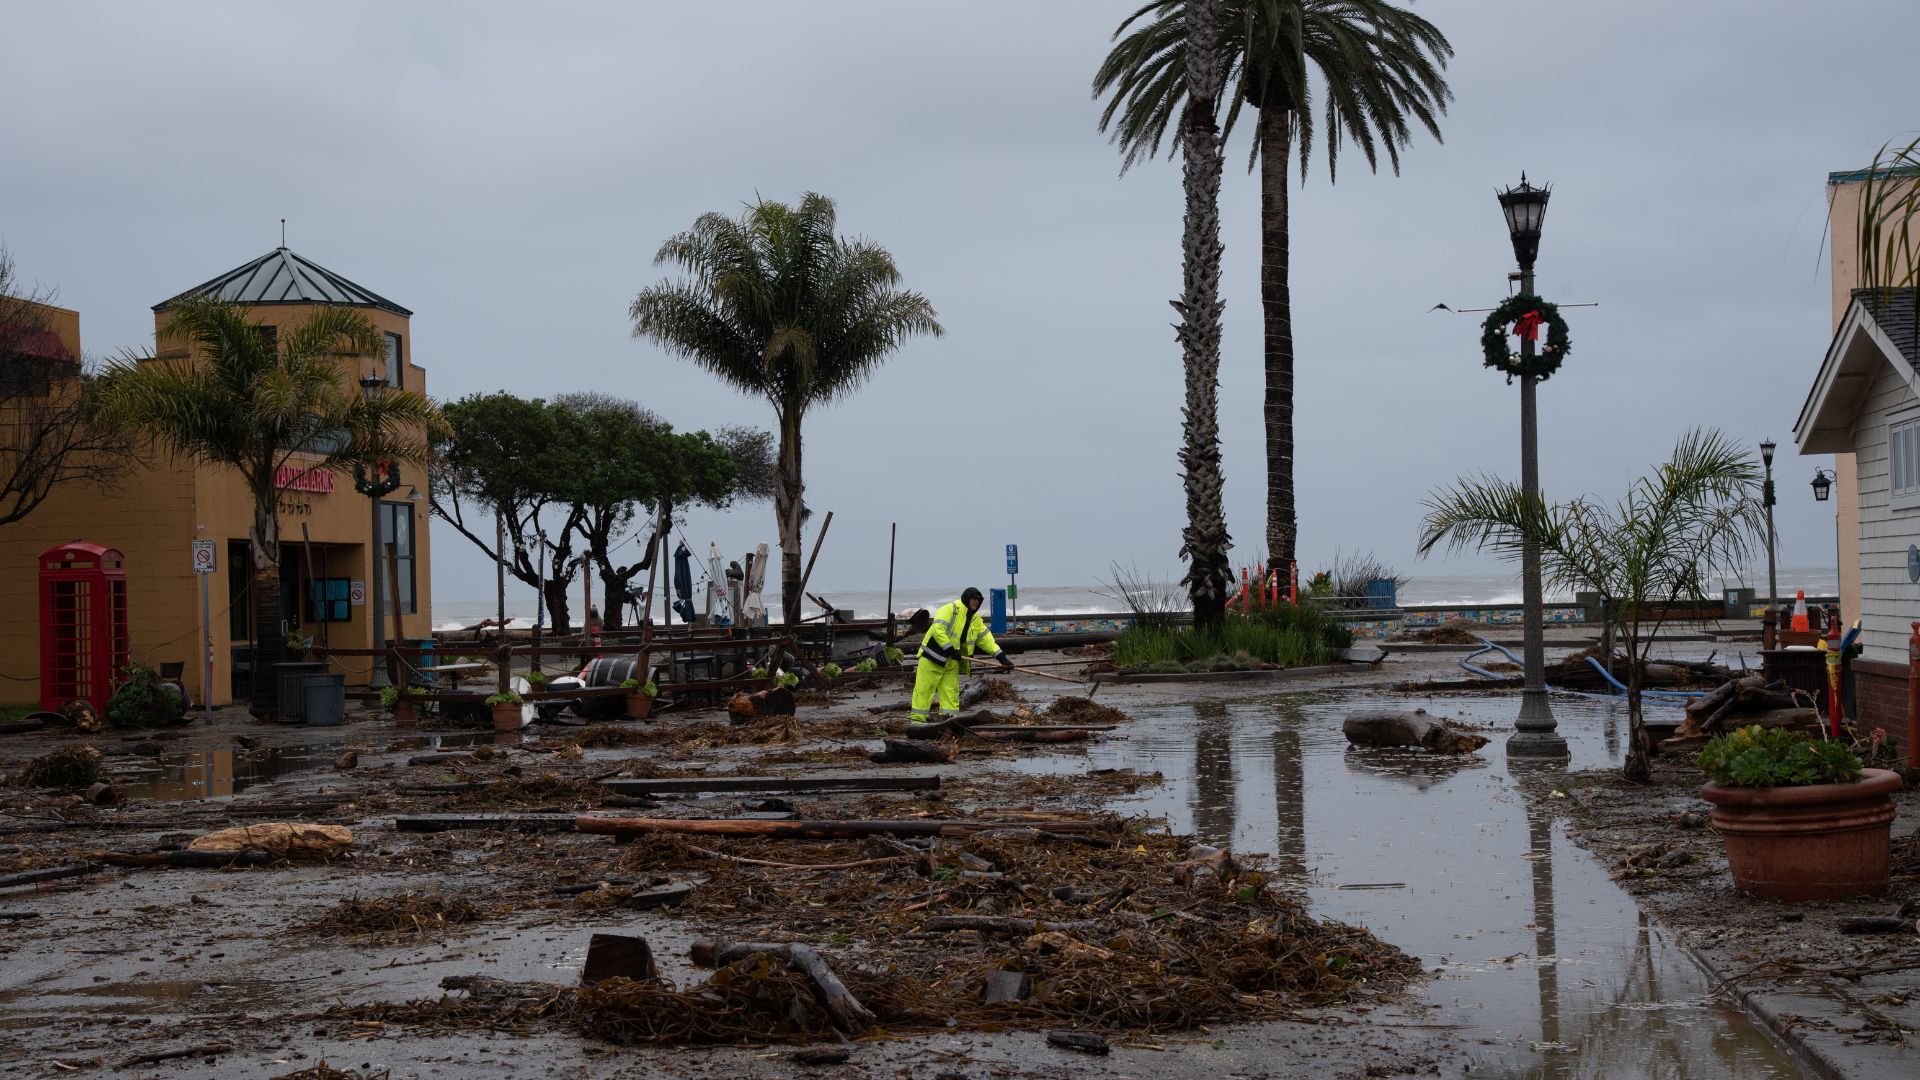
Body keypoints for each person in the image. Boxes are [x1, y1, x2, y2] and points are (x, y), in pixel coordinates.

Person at [911, 587, 1013, 725]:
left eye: (978, 600)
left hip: (952, 661)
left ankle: (949, 721)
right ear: (966, 598)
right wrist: (949, 648)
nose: (976, 602)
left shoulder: (975, 619)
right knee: (924, 690)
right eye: (973, 599)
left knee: (951, 693)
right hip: (932, 657)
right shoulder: (949, 609)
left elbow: (986, 639)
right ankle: (917, 722)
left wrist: (1001, 657)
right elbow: (937, 629)